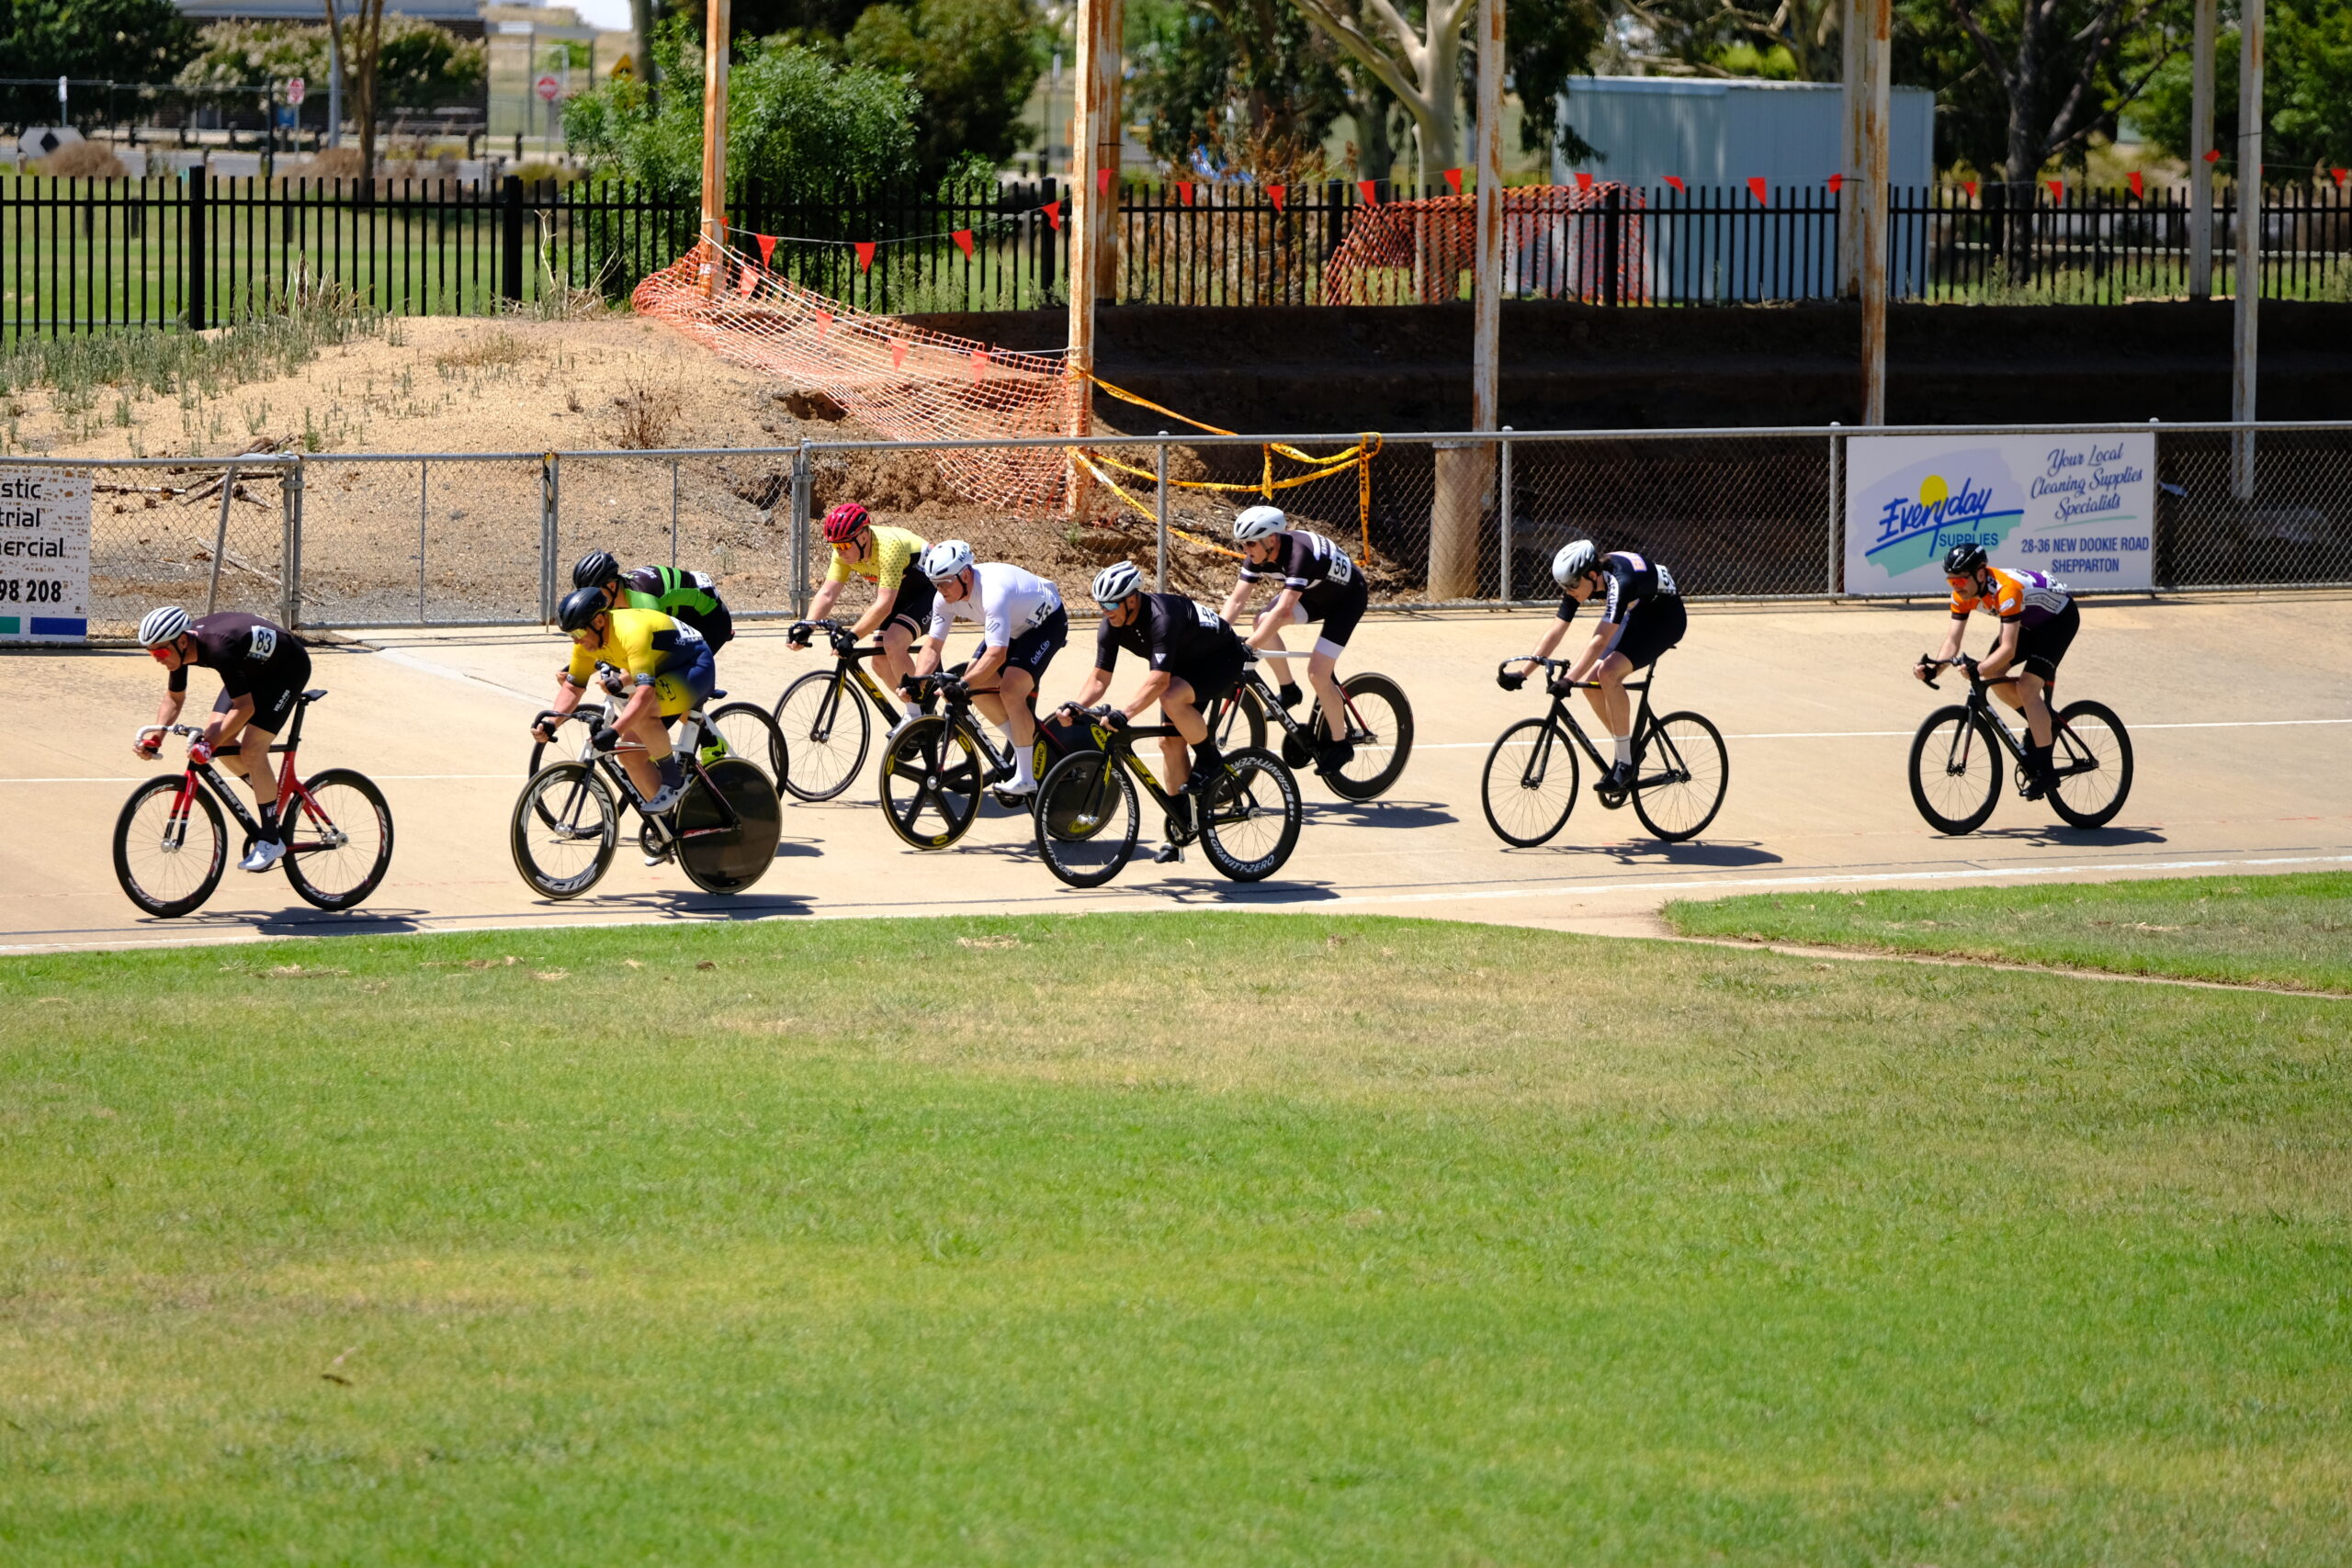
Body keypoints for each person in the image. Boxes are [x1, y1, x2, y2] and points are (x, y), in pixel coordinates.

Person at [1065, 561, 1250, 863]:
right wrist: (1077, 706)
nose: (1105, 611)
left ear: (1131, 600)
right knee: (1169, 743)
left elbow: (1159, 681)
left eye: (1110, 604)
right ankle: (1182, 825)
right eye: (1100, 605)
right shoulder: (1111, 625)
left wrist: (1125, 713)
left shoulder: (1160, 618)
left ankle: (1210, 760)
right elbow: (1099, 678)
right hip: (1183, 664)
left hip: (1220, 657)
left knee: (1171, 696)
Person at [134, 605, 312, 873]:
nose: (157, 659)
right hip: (249, 666)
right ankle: (269, 792)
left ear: (181, 641)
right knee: (219, 737)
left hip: (286, 669)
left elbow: (245, 708)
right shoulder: (180, 649)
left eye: (160, 652)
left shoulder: (218, 648)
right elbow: (174, 697)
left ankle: (271, 840)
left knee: (251, 749)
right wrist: (155, 738)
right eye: (151, 653)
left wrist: (208, 744)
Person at [1505, 541, 1686, 795]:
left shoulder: (1620, 582)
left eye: (1571, 586)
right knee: (1591, 685)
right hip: (1635, 611)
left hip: (1663, 619)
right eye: (1564, 587)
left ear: (1591, 575)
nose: (1568, 592)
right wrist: (1523, 673)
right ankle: (1629, 751)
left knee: (1608, 674)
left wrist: (1568, 679)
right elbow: (1556, 630)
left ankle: (1625, 763)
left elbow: (1600, 640)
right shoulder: (1581, 581)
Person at [533, 587, 714, 827]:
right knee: (630, 755)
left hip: (693, 665)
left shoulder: (630, 632)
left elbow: (645, 695)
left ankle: (674, 781)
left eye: (578, 632)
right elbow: (573, 687)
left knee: (643, 712)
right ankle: (671, 827)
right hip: (659, 665)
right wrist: (552, 722)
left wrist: (614, 731)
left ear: (599, 621)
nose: (576, 640)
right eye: (570, 634)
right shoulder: (586, 642)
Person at [907, 540, 1066, 799]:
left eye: (945, 582)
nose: (940, 589)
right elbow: (932, 646)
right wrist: (916, 683)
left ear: (965, 574)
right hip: (1013, 625)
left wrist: (963, 685)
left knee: (1010, 689)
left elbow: (997, 654)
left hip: (1045, 625)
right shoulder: (943, 598)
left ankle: (1026, 778)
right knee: (977, 683)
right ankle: (1024, 742)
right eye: (935, 583)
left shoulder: (993, 591)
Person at [1918, 542, 2078, 798]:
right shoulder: (1963, 595)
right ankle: (2040, 722)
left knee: (2026, 687)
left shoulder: (2007, 590)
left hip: (2058, 621)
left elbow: (2009, 649)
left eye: (1960, 581)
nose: (1956, 587)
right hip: (2027, 622)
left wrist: (1978, 667)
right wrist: (1934, 670)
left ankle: (2047, 772)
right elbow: (1952, 641)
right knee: (1993, 673)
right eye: (1951, 582)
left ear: (1980, 574)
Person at [1217, 504, 1368, 765]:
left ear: (1271, 539)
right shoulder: (1257, 555)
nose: (1245, 550)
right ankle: (1289, 690)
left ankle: (1340, 744)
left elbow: (1284, 610)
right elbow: (1237, 600)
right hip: (1313, 595)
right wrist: (1214, 634)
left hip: (1346, 600)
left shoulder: (1299, 554)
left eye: (1250, 543)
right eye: (1242, 544)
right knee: (1261, 620)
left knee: (1318, 673)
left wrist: (1249, 647)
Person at [792, 502, 932, 729]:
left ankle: (918, 718)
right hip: (903, 591)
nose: (840, 551)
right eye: (835, 545)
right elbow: (828, 593)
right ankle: (920, 710)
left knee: (893, 642)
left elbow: (884, 605)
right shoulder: (844, 552)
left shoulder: (889, 547)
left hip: (931, 589)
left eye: (844, 544)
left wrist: (852, 637)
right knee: (880, 661)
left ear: (864, 536)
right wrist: (807, 627)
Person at [571, 551, 734, 653]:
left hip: (709, 619)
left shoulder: (644, 601)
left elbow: (652, 650)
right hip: (681, 611)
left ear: (612, 586)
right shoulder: (617, 594)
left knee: (675, 673)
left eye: (593, 593)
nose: (591, 600)